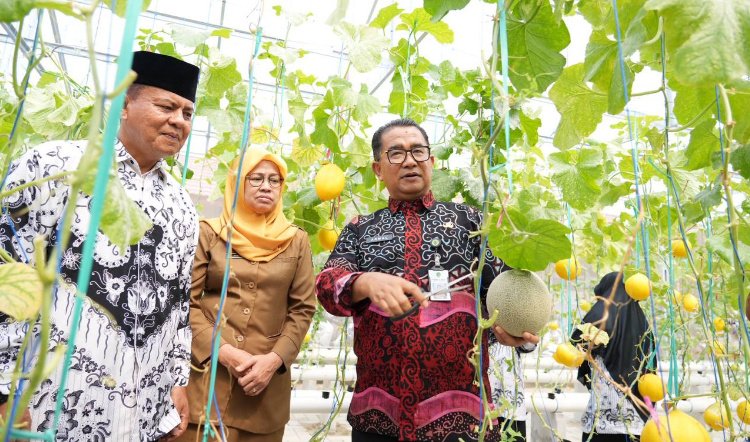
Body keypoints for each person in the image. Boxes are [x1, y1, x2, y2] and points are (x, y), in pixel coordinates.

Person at [0, 51, 200, 440]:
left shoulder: (183, 205)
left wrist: (177, 380)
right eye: (167, 106)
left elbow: (179, 305)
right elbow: (7, 274)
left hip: (144, 413)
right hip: (50, 405)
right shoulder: (55, 167)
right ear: (124, 105)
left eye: (188, 113)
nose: (179, 120)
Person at [315, 118, 538, 442]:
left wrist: (521, 334)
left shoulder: (472, 222)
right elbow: (326, 284)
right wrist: (365, 282)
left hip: (464, 421)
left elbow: (508, 292)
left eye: (418, 151)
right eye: (396, 153)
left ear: (431, 161)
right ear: (378, 168)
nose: (409, 160)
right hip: (378, 421)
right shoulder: (360, 228)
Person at [176, 149, 316, 442]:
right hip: (206, 381)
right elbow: (185, 302)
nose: (266, 186)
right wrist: (224, 352)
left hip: (264, 393)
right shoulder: (210, 233)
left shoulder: (296, 240)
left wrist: (273, 360)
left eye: (274, 180)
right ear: (237, 183)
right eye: (256, 178)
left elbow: (303, 309)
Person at [571, 272, 656, 442]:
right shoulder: (642, 322)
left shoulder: (603, 312)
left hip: (604, 416)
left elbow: (575, 341)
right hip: (636, 416)